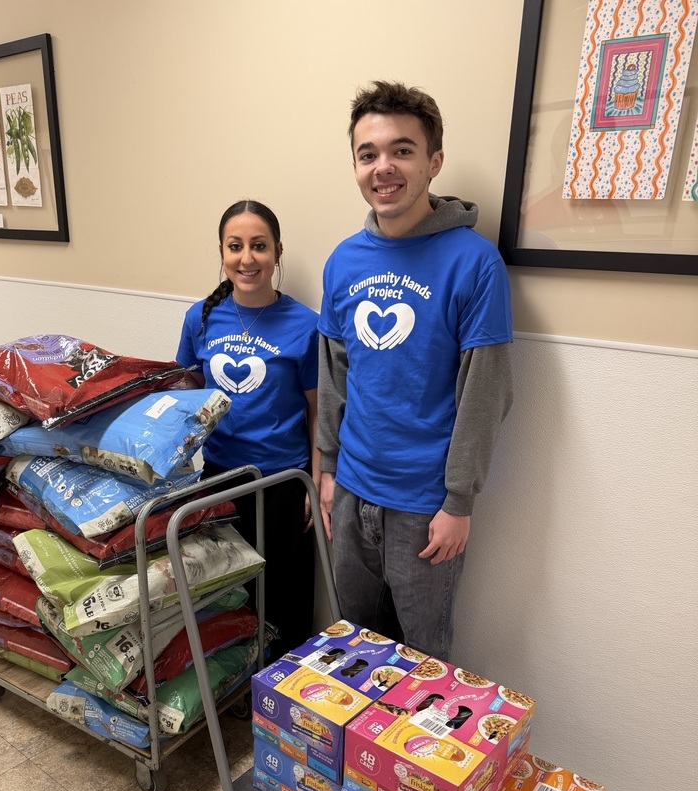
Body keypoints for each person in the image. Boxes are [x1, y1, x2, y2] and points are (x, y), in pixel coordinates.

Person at [317, 81, 513, 662]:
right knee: (354, 649)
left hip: (425, 507)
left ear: (434, 161)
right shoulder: (343, 260)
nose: (384, 167)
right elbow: (334, 377)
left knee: (423, 661)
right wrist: (327, 469)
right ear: (355, 166)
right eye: (368, 154)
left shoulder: (475, 262)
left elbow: (486, 392)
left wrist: (459, 501)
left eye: (402, 150)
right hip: (350, 492)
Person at [176, 200, 320, 657]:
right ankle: (235, 689)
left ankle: (282, 708)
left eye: (259, 246)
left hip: (282, 483)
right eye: (235, 246)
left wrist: (315, 483)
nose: (247, 258)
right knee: (224, 598)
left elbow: (319, 413)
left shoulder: (306, 325)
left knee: (285, 602)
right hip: (218, 480)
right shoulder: (199, 318)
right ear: (221, 252)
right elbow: (187, 392)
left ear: (278, 252)